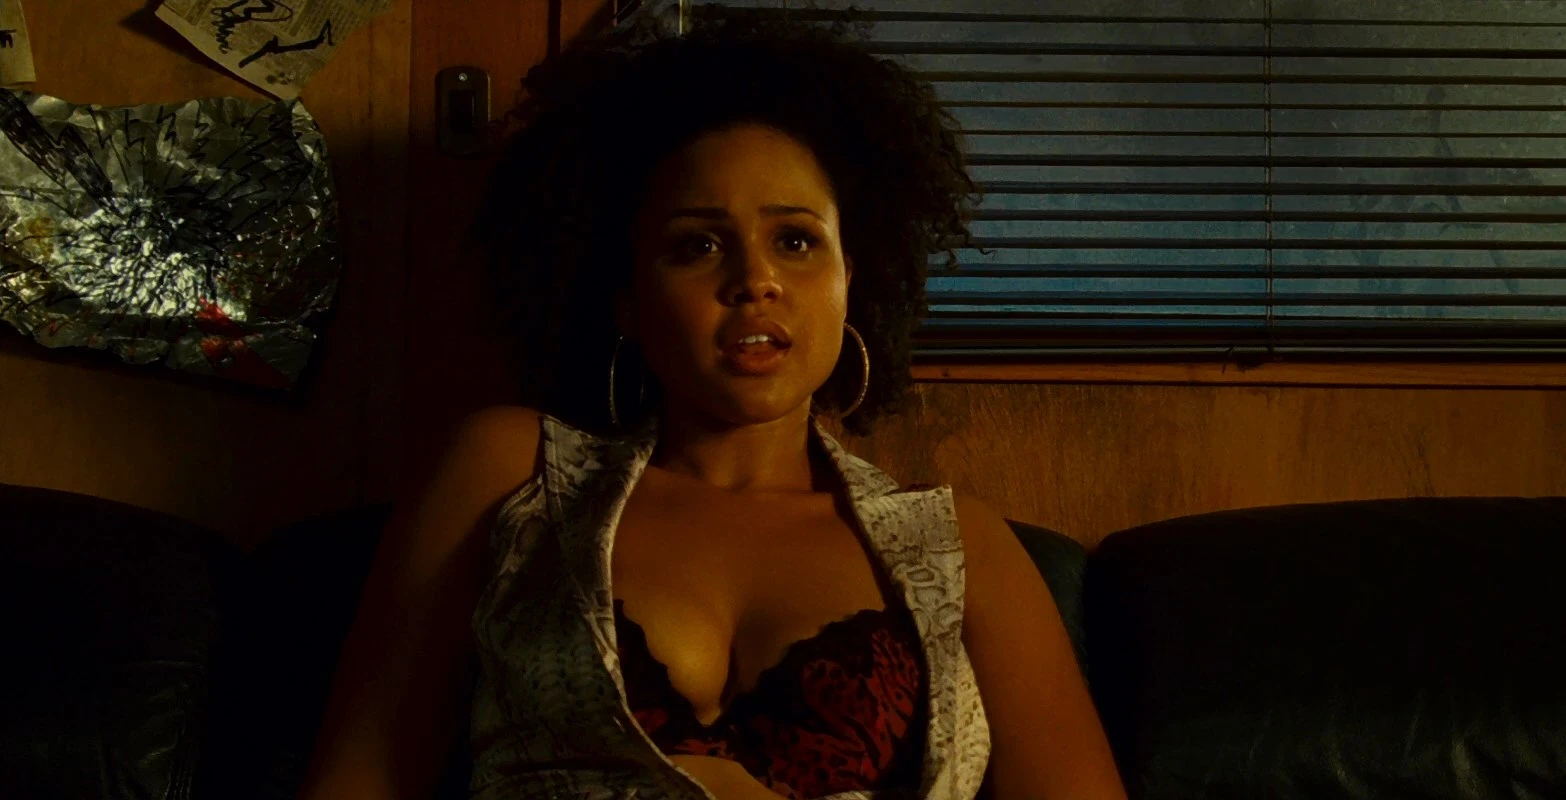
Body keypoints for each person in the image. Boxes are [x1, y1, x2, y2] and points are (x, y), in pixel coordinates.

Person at [294, 6, 1126, 800]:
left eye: (795, 240)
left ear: (851, 281)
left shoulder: (959, 546)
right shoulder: (512, 472)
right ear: (626, 298)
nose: (755, 280)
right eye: (696, 244)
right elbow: (363, 778)